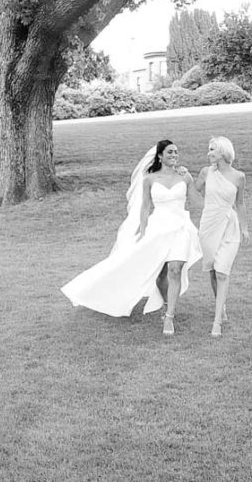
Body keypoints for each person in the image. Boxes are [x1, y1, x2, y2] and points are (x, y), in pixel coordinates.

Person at [61, 139, 202, 335]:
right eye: (170, 152)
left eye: (176, 152)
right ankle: (166, 303)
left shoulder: (184, 177)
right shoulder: (149, 179)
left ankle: (169, 316)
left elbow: (197, 200)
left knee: (175, 269)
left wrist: (203, 185)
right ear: (160, 156)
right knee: (160, 275)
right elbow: (145, 207)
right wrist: (143, 230)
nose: (174, 155)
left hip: (181, 228)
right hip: (159, 228)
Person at [194, 136, 249, 337]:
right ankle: (221, 306)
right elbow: (193, 190)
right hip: (208, 225)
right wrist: (180, 175)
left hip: (229, 227)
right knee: (212, 270)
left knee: (222, 272)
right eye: (209, 149)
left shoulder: (239, 177)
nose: (208, 153)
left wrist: (244, 227)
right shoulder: (206, 172)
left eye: (212, 150)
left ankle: (217, 322)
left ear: (223, 152)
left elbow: (240, 203)